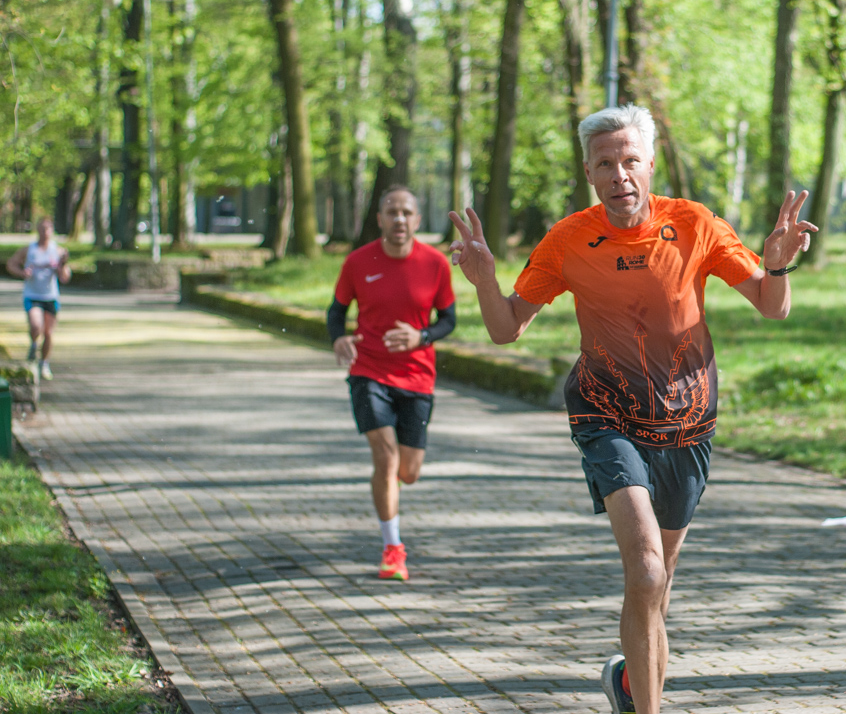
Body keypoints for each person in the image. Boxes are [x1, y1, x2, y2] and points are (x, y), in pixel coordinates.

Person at [448, 105, 816, 714]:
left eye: (630, 161)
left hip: (686, 421)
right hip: (606, 413)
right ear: (588, 173)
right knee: (645, 573)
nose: (619, 175)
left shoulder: (693, 223)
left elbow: (772, 305)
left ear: (649, 164)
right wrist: (486, 280)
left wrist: (775, 264)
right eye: (605, 164)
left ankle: (628, 684)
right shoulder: (568, 240)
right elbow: (506, 328)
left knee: (658, 588)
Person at [328, 186, 457, 581]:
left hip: (417, 376)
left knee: (408, 471)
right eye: (391, 211)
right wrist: (338, 338)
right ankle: (392, 549)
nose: (399, 218)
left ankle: (392, 495)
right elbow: (336, 311)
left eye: (406, 212)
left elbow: (448, 320)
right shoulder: (357, 262)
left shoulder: (435, 263)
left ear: (417, 219)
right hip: (369, 371)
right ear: (380, 219)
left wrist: (422, 336)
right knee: (385, 459)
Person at [6, 216, 71, 381]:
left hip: (51, 296)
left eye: (47, 229)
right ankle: (34, 344)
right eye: (42, 228)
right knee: (36, 326)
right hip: (32, 294)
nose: (45, 232)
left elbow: (65, 277)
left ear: (52, 231)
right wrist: (22, 273)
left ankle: (44, 364)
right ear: (37, 230)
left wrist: (62, 265)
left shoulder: (58, 251)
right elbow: (11, 264)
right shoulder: (29, 250)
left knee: (48, 333)